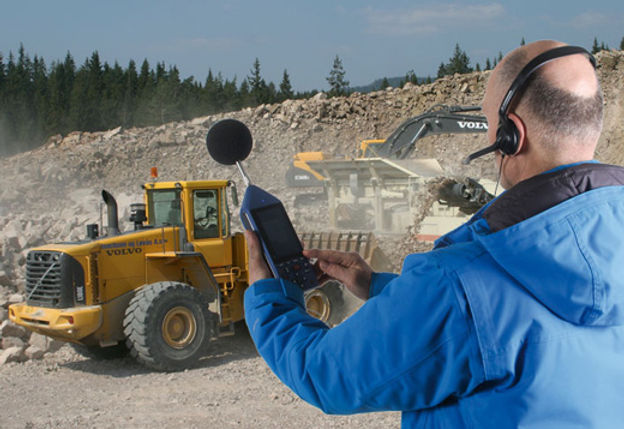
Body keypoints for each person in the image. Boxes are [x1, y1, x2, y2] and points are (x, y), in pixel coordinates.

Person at [243, 40, 624, 428]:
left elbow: (326, 373)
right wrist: (382, 288)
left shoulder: (459, 283)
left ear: (513, 134)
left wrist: (269, 298)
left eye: (490, 124)